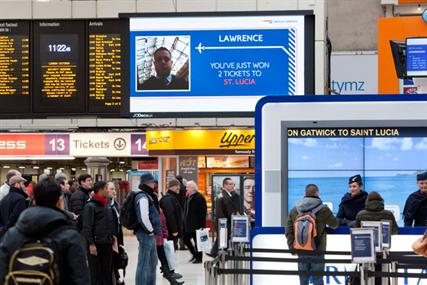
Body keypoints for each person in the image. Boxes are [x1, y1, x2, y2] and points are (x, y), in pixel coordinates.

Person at [0, 179, 90, 284]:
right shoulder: (70, 236)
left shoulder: (12, 235)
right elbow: (80, 278)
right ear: (60, 202)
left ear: (34, 201)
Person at [286, 184, 339, 285]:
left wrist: (291, 247)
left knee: (303, 281)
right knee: (318, 280)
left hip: (301, 249)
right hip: (318, 250)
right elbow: (334, 225)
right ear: (317, 193)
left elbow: (288, 230)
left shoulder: (295, 210)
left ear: (305, 194)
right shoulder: (323, 209)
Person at [355, 192, 399, 285]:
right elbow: (395, 231)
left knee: (365, 276)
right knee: (383, 275)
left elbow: (356, 231)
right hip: (383, 251)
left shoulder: (361, 214)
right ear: (381, 201)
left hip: (366, 251)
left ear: (367, 201)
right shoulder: (388, 214)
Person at [82, 181, 115, 285]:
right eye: (106, 188)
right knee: (96, 273)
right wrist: (91, 244)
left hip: (107, 242)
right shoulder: (90, 206)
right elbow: (87, 227)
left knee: (107, 272)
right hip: (96, 244)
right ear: (100, 190)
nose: (108, 190)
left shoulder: (106, 205)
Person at [135, 173, 162, 285]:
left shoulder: (148, 195)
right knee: (143, 263)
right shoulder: (143, 197)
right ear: (147, 183)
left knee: (152, 263)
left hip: (149, 234)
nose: (154, 184)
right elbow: (143, 217)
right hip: (146, 234)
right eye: (152, 182)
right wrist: (150, 230)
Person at [209, 177, 241, 258]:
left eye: (232, 184)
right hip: (225, 222)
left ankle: (214, 252)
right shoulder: (224, 196)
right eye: (230, 184)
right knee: (224, 238)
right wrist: (234, 215)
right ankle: (217, 253)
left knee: (222, 238)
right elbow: (228, 209)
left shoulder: (225, 194)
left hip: (223, 221)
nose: (232, 186)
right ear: (225, 185)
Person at [183, 180, 207, 264]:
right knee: (185, 239)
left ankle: (199, 258)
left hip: (196, 224)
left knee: (198, 242)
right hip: (189, 224)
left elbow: (202, 213)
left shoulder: (199, 197)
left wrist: (201, 226)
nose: (186, 189)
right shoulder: (188, 197)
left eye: (188, 187)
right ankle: (194, 254)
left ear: (192, 188)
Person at [107, 181, 125, 285]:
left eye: (114, 189)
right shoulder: (105, 205)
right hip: (109, 239)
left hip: (116, 238)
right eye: (112, 189)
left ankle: (117, 278)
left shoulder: (115, 204)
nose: (114, 191)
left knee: (115, 262)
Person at [160, 179, 184, 249]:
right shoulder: (168, 199)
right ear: (171, 187)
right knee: (171, 251)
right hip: (170, 232)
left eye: (178, 186)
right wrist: (174, 230)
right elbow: (170, 215)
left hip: (172, 232)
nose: (178, 188)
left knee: (173, 250)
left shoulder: (173, 197)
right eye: (176, 186)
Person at [175, 175, 187, 250]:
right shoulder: (184, 188)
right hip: (183, 210)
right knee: (182, 228)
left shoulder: (175, 189)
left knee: (175, 227)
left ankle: (175, 245)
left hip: (176, 210)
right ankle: (182, 245)